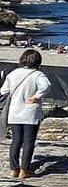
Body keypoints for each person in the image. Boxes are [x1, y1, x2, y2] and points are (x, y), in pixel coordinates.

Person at [1, 49, 51, 179]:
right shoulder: (38, 74)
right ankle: (24, 169)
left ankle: (13, 168)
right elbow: (46, 87)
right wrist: (36, 97)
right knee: (28, 142)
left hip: (14, 111)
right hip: (30, 112)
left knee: (16, 141)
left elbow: (4, 90)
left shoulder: (13, 73)